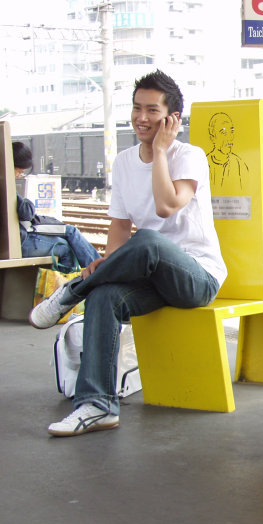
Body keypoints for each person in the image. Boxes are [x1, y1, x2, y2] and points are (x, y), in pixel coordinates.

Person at [29, 69, 226, 437]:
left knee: (150, 240)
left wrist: (162, 152)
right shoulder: (123, 163)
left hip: (197, 277)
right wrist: (111, 266)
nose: (141, 118)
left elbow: (168, 206)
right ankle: (98, 405)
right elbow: (119, 227)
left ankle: (73, 291)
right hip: (149, 278)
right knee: (106, 294)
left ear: (172, 119)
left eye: (152, 110)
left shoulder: (189, 155)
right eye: (137, 108)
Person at [13, 141, 100, 271]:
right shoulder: (5, 184)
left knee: (69, 234)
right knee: (66, 243)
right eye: (19, 172)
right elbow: (26, 212)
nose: (18, 175)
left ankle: (97, 273)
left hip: (19, 235)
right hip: (20, 240)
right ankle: (97, 275)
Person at [206, 112, 250, 193]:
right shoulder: (203, 164)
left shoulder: (239, 165)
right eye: (224, 133)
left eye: (231, 132)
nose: (230, 138)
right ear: (212, 137)